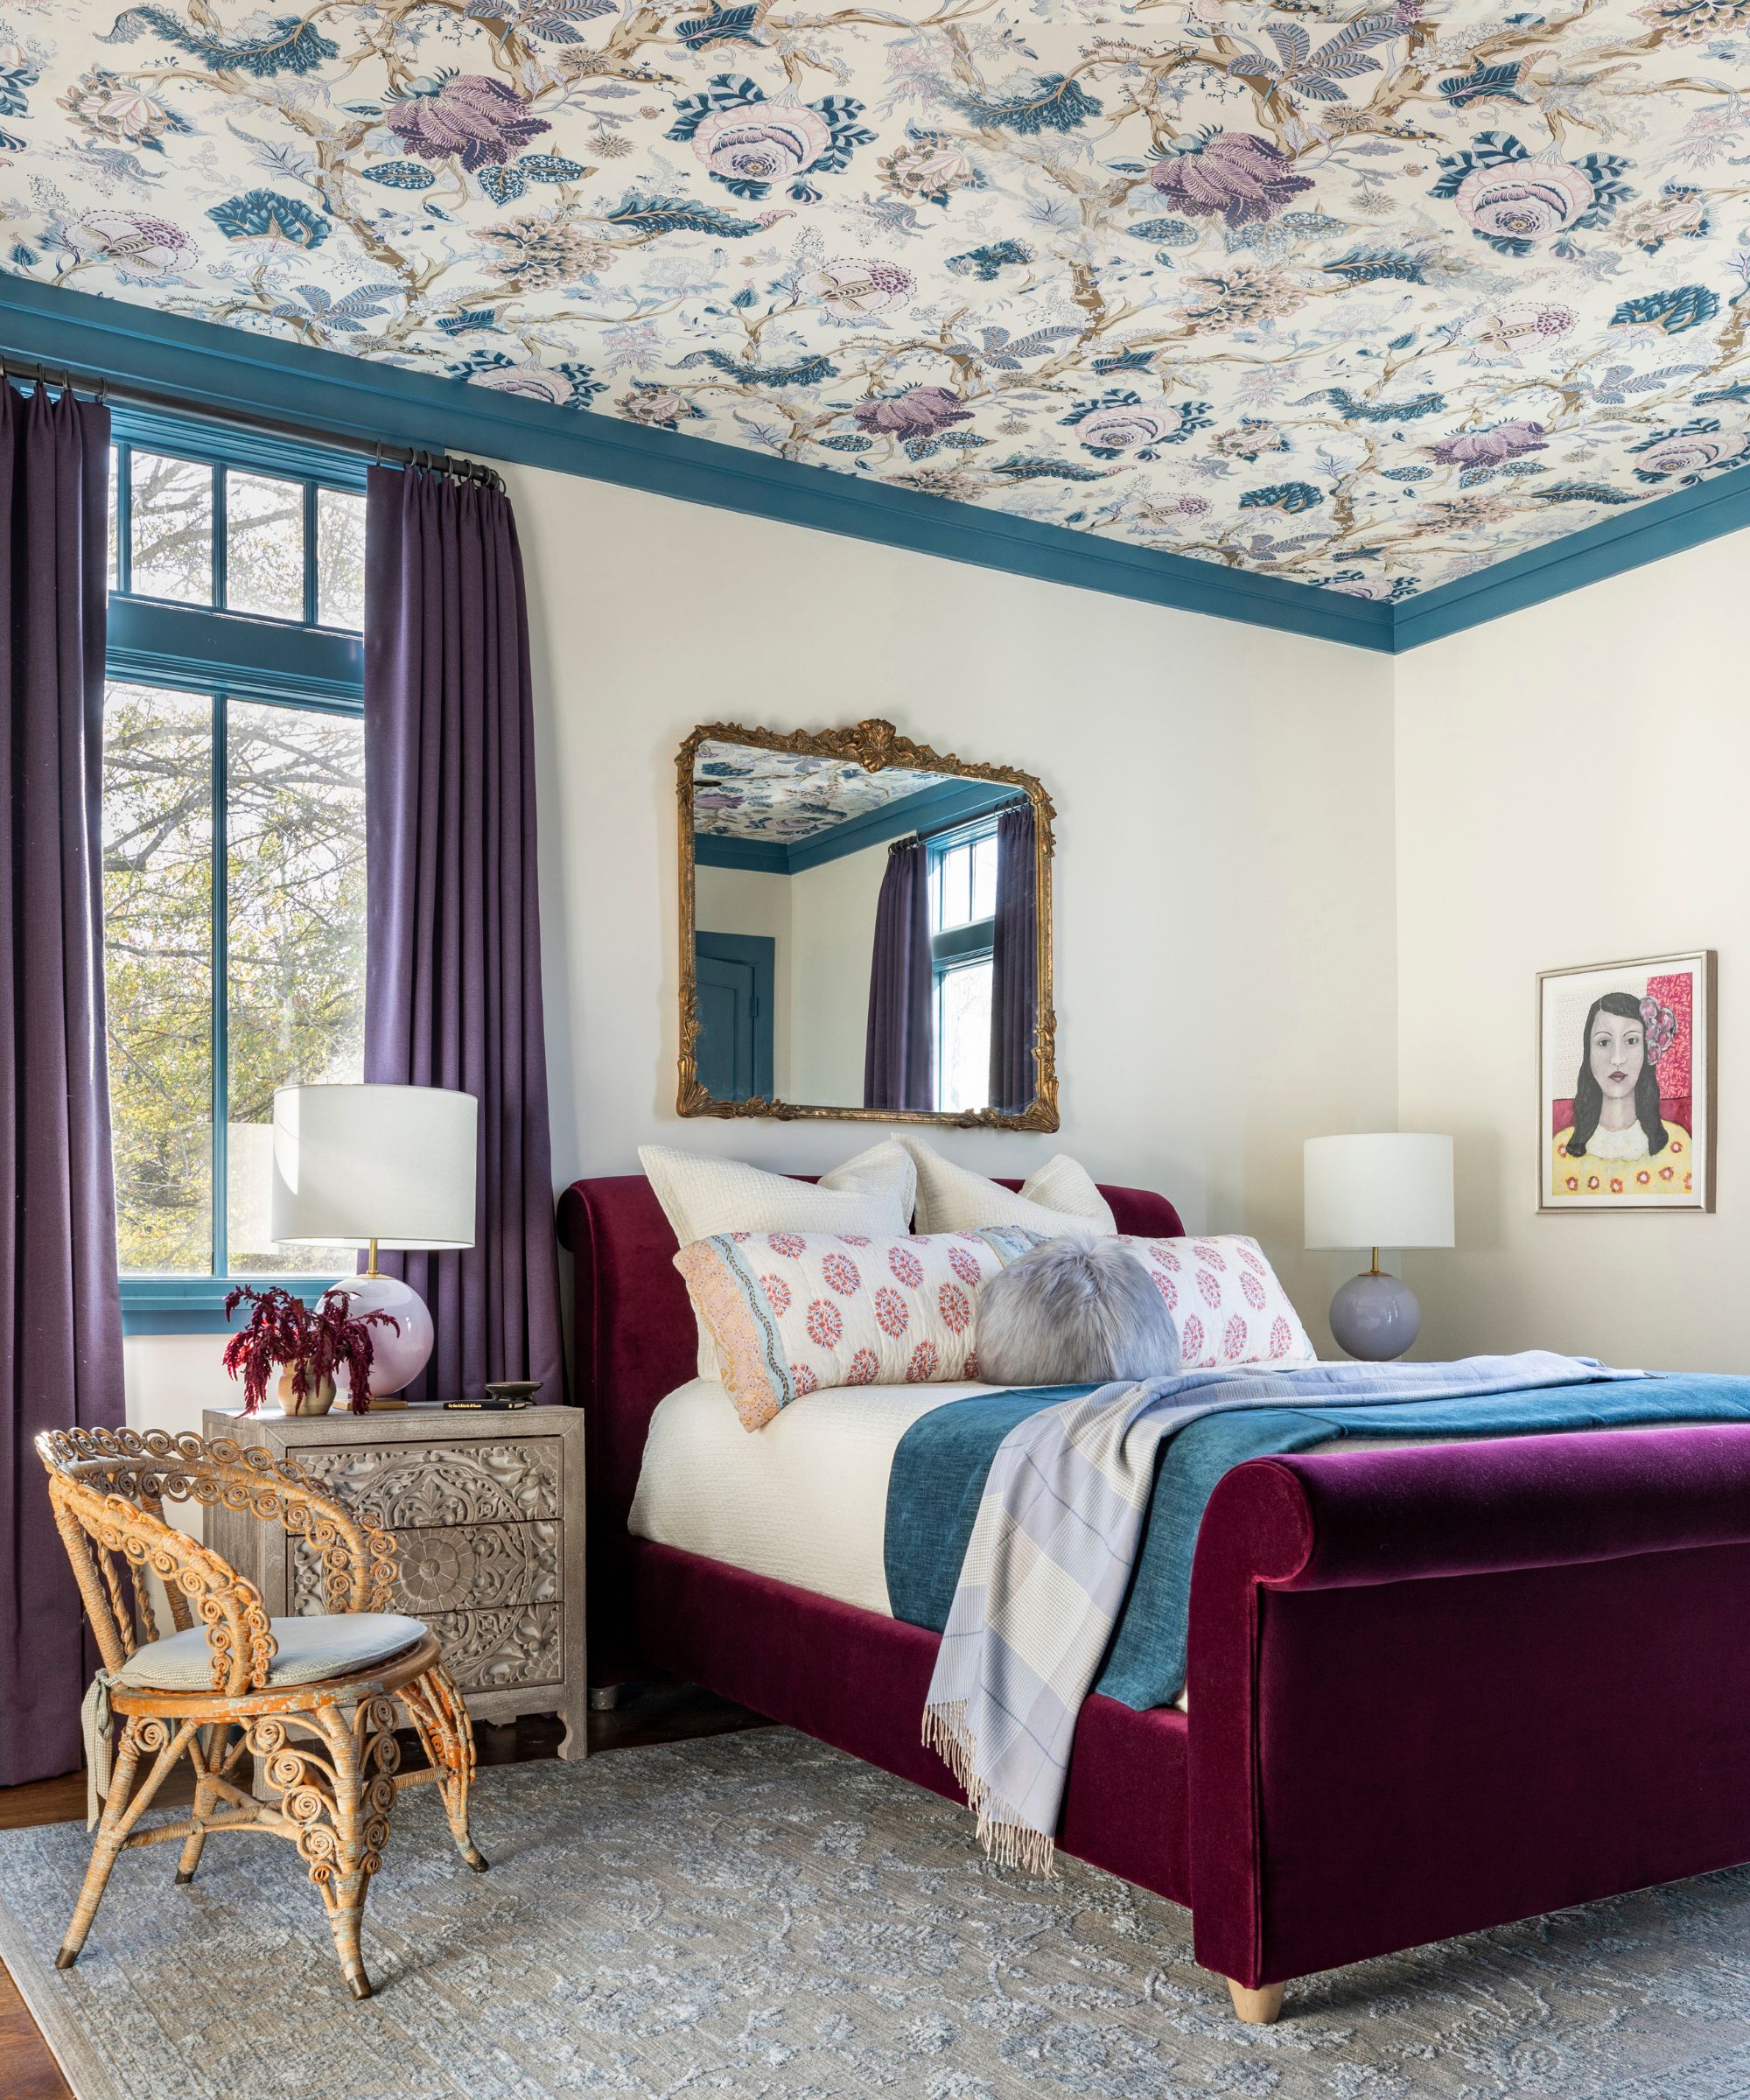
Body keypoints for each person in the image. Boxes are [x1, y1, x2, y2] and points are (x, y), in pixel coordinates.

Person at [1550, 990, 1691, 1199]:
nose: (1617, 1058)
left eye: (1632, 1041)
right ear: (1588, 1054)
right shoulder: (1558, 1152)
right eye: (1604, 1043)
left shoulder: (1678, 1147)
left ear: (1647, 1050)